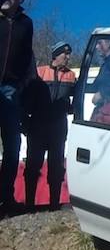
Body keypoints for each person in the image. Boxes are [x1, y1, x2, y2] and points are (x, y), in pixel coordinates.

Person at [0, 0, 34, 213]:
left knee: (12, 145)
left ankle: (7, 198)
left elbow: (27, 55)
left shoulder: (26, 23)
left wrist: (22, 82)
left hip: (12, 88)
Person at [29, 41, 75, 210]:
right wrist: (25, 121)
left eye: (69, 54)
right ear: (56, 55)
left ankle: (54, 205)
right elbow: (28, 97)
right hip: (38, 125)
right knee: (34, 164)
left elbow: (75, 98)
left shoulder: (71, 75)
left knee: (56, 165)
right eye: (65, 54)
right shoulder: (40, 72)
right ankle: (29, 205)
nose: (68, 57)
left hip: (58, 126)